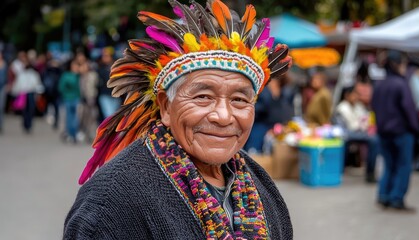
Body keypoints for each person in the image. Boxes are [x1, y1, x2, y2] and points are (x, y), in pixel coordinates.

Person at [63, 0, 294, 239]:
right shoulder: (110, 203)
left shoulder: (258, 183)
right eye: (203, 96)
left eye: (239, 100)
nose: (224, 116)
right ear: (165, 106)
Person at [371, 50, 419, 211]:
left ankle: (384, 195)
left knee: (389, 165)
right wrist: (416, 129)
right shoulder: (401, 84)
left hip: (383, 132)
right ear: (397, 64)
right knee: (403, 166)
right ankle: (396, 198)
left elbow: (374, 108)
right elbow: (409, 110)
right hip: (401, 132)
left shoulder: (380, 84)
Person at [335, 85, 379, 183]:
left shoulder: (358, 106)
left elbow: (365, 119)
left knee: (375, 140)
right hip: (347, 134)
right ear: (347, 95)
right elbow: (347, 129)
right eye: (354, 94)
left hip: (360, 132)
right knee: (373, 139)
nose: (356, 97)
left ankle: (370, 172)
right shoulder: (341, 108)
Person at [244, 75, 294, 153]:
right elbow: (254, 109)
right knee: (254, 154)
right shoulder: (261, 88)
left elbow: (287, 112)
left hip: (276, 129)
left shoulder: (285, 91)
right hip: (259, 128)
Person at [58, 60, 81, 143]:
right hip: (68, 98)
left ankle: (74, 133)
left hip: (77, 98)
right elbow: (61, 87)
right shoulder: (67, 75)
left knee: (76, 117)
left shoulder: (79, 75)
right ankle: (71, 134)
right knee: (69, 117)